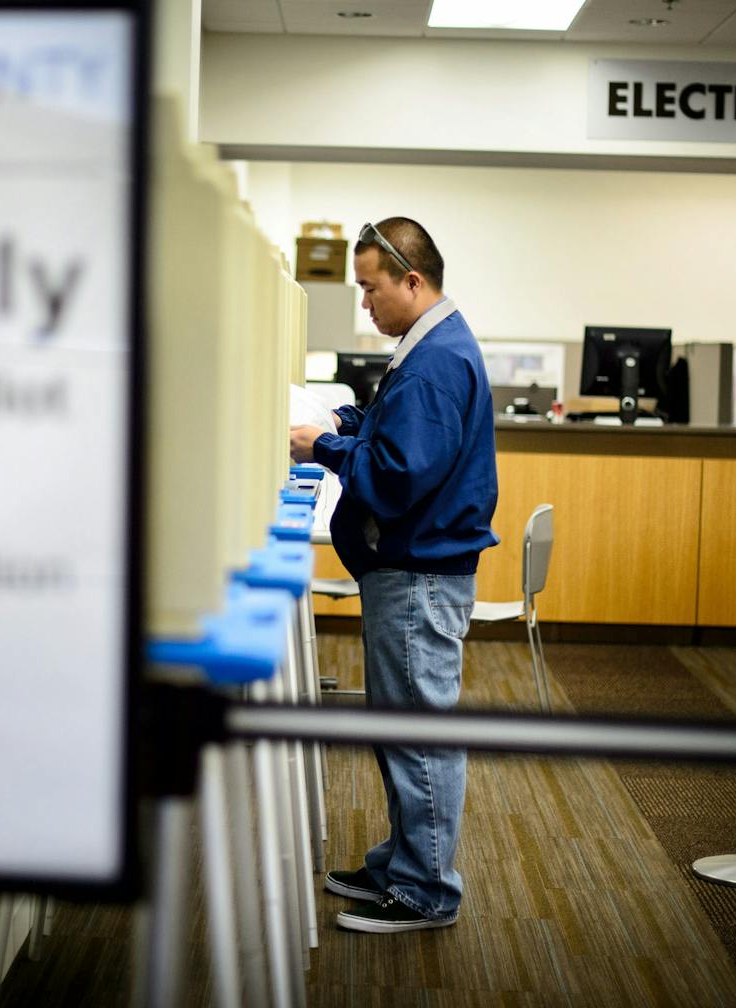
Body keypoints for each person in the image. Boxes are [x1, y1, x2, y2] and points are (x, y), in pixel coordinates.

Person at [289, 218, 498, 934]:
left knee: (416, 732)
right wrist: (351, 418)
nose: (365, 306)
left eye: (370, 289)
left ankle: (425, 892)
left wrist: (324, 444)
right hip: (415, 571)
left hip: (418, 573)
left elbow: (399, 476)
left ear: (412, 280)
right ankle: (403, 861)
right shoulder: (429, 346)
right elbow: (398, 434)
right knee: (405, 727)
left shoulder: (435, 360)